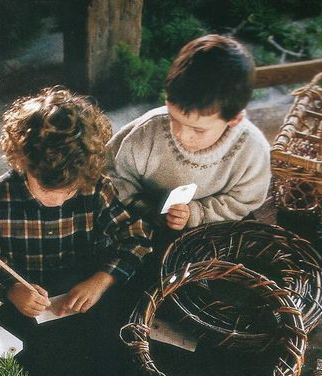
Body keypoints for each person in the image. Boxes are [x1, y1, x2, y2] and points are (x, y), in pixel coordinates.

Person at [0, 86, 153, 320]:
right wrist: (11, 290)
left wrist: (103, 279)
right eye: (45, 189)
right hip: (17, 308)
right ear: (21, 161)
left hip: (83, 298)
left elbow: (136, 237)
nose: (57, 200)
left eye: (70, 190)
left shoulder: (96, 187)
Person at [106, 34, 271, 239]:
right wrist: (143, 207)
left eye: (198, 130)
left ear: (234, 119)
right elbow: (113, 174)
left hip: (211, 233)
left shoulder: (252, 150)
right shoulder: (146, 132)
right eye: (174, 119)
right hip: (140, 223)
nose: (181, 134)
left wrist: (197, 213)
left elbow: (244, 200)